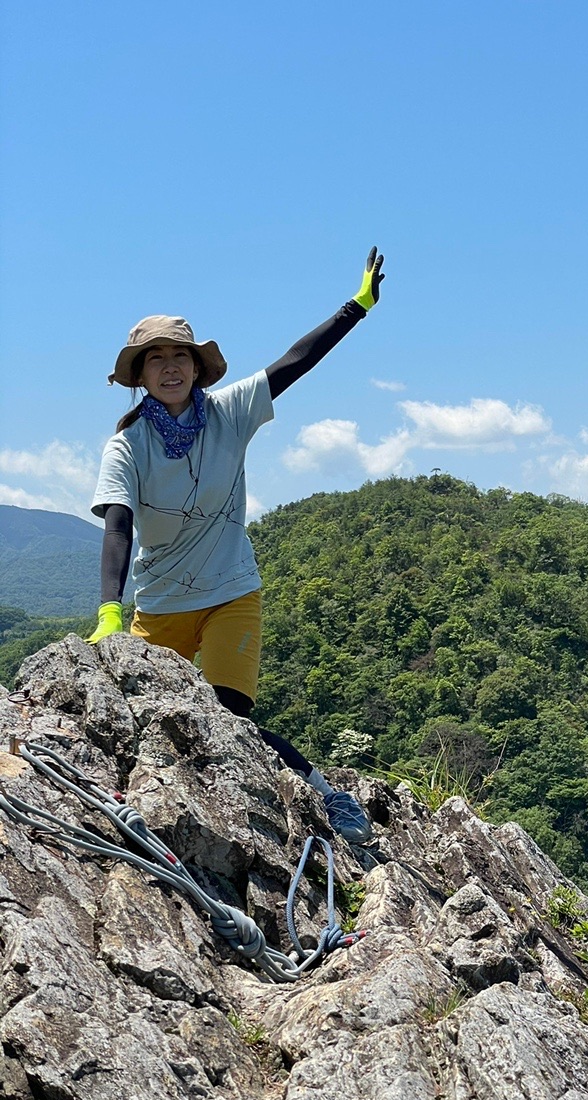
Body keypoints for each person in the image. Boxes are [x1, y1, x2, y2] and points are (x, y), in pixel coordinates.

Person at [87, 248, 385, 843]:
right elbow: (118, 525)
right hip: (160, 606)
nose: (170, 368)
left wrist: (355, 308)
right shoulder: (127, 447)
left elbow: (294, 363)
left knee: (228, 720)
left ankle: (329, 798)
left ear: (197, 368)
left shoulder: (230, 413)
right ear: (139, 376)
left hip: (231, 594)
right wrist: (110, 610)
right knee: (141, 722)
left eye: (180, 357)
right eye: (156, 360)